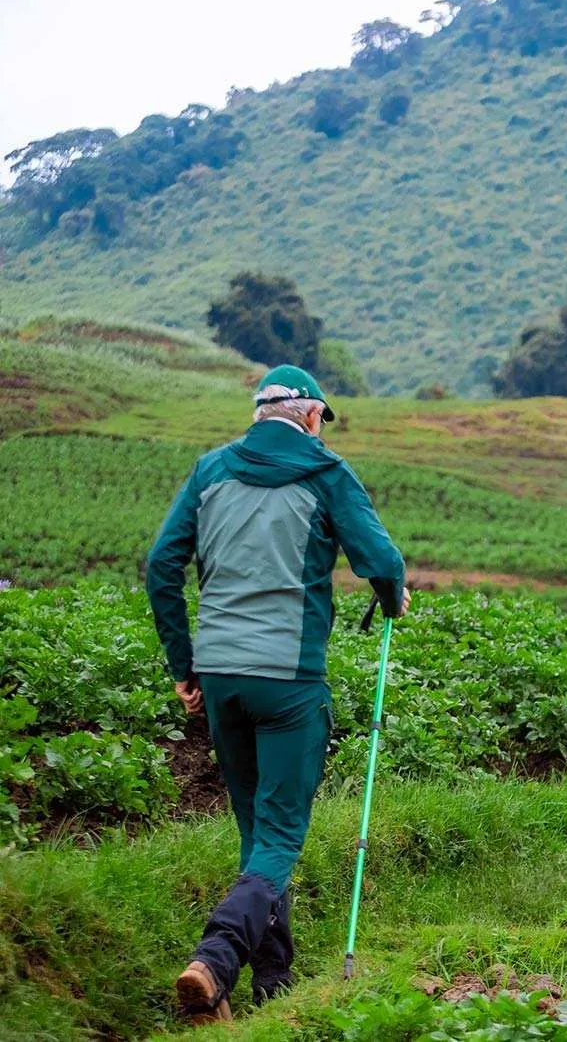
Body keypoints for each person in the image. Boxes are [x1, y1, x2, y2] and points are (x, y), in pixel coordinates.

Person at [146, 366, 409, 1023]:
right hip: (289, 681)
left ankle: (273, 982)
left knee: (258, 833)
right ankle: (217, 955)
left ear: (261, 414)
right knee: (283, 831)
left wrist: (185, 665)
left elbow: (160, 565)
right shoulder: (325, 472)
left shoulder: (211, 470)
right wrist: (390, 597)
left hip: (222, 677)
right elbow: (382, 561)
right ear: (312, 415)